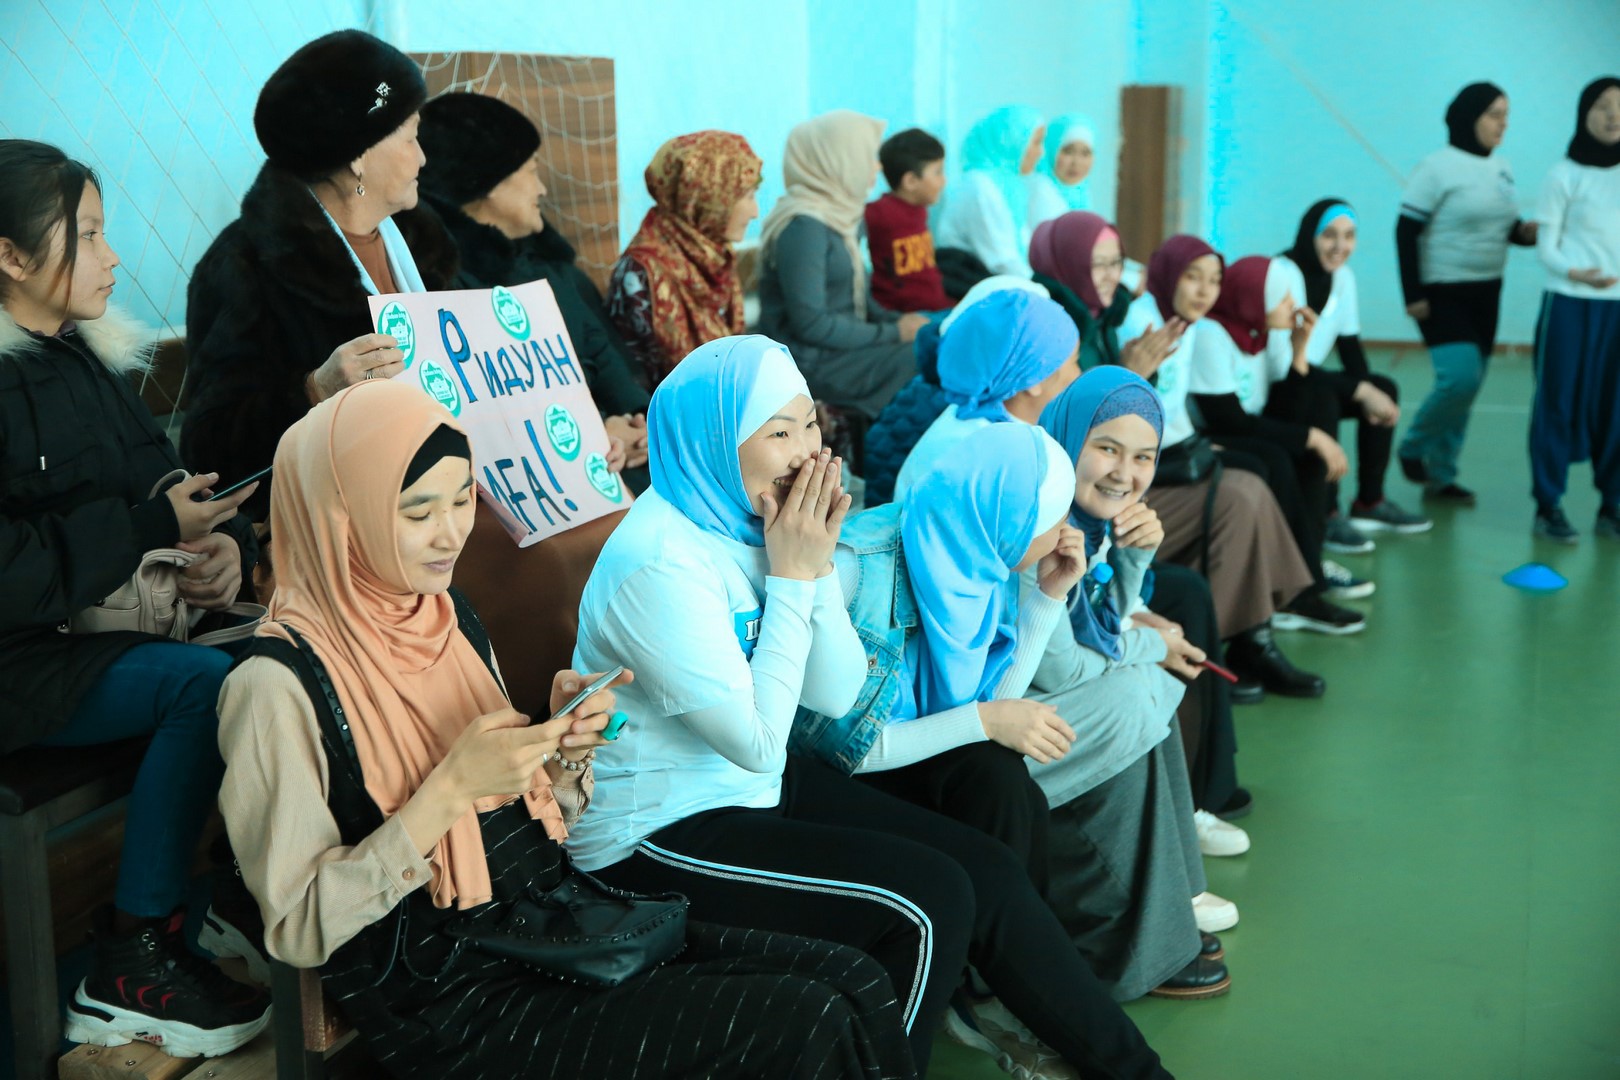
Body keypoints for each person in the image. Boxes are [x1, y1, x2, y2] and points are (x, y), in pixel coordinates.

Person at [216, 379, 916, 1078]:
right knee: (808, 1019)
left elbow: (521, 823)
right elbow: (299, 927)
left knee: (854, 981)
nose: (452, 532)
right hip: (452, 999)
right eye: (418, 511)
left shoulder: (444, 618)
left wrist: (560, 756)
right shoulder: (275, 687)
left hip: (546, 925)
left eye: (462, 501)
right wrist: (450, 791)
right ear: (342, 517)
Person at [568, 334, 1174, 1078]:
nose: (804, 452)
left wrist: (812, 567)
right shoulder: (658, 564)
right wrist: (795, 577)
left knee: (983, 868)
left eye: (809, 426)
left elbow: (836, 693)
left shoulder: (757, 523)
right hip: (654, 831)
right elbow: (757, 743)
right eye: (779, 432)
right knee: (931, 903)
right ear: (718, 441)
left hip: (753, 788)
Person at [797, 416, 1233, 1006]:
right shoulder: (859, 568)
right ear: (1010, 518)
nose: (1062, 535)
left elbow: (996, 696)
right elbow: (849, 748)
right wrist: (986, 722)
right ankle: (1017, 976)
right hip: (842, 776)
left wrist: (1048, 596)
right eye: (1051, 521)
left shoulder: (977, 555)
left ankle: (1019, 969)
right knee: (1011, 770)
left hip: (917, 754)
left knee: (1011, 775)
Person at [0, 139, 269, 1055]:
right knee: (201, 689)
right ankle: (130, 958)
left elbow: (167, 490)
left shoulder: (85, 356)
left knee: (286, 648)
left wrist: (221, 550)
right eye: (86, 234)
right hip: (21, 661)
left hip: (100, 631)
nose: (112, 256)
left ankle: (239, 897)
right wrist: (153, 529)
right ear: (10, 255)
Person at [182, 30, 459, 515]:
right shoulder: (246, 265)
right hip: (341, 518)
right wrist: (313, 391)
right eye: (411, 137)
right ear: (359, 155)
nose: (423, 157)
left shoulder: (422, 244)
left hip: (448, 489)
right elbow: (210, 451)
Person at [1118, 238, 1327, 692]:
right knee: (1243, 493)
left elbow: (1171, 411)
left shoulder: (1183, 324)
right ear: (1169, 276)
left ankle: (1255, 639)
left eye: (1214, 280)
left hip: (1168, 458)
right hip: (1136, 477)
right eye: (1192, 277)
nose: (1204, 291)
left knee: (1252, 484)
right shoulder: (1143, 323)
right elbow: (1127, 414)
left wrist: (1194, 444)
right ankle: (1238, 641)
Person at [417, 91, 651, 491]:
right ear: (488, 183)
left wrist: (638, 419)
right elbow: (501, 402)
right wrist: (595, 429)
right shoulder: (446, 286)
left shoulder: (544, 263)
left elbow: (597, 347)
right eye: (531, 171)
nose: (541, 189)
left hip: (610, 452)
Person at [1190, 255, 1371, 633]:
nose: (1294, 306)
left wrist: (1299, 350)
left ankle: (1308, 570)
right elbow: (1228, 420)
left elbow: (1283, 407)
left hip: (1242, 429)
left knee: (1309, 441)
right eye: (1282, 298)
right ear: (1253, 299)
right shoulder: (1212, 335)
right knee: (1279, 457)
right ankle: (1294, 592)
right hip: (1208, 436)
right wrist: (1311, 437)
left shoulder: (1258, 334)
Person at [1396, 81, 1538, 505]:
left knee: (1469, 388)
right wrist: (1412, 295)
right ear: (1469, 116)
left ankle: (1442, 477)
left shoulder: (1502, 168)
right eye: (1495, 114)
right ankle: (1413, 447)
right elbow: (1405, 231)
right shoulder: (1436, 168)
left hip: (1488, 291)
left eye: (1506, 115)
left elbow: (1505, 228)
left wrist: (1527, 233)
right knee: (1459, 379)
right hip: (1442, 292)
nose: (1503, 124)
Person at [1267, 201, 1431, 552]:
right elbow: (1282, 365)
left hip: (1308, 379)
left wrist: (1369, 392)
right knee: (1325, 399)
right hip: (1279, 388)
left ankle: (1369, 502)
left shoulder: (1343, 277)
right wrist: (1359, 390)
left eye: (1349, 236)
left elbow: (1351, 348)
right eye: (1329, 235)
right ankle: (1325, 513)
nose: (1340, 246)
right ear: (1309, 235)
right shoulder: (1282, 274)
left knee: (1383, 387)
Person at [758, 111, 924, 419]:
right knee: (922, 358)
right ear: (837, 160)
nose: (877, 166)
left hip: (843, 348)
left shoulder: (844, 216)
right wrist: (893, 333)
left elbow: (857, 299)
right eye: (867, 156)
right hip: (811, 361)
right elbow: (812, 325)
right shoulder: (804, 228)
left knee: (932, 340)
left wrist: (902, 323)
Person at [1529, 76, 1620, 543]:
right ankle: (1548, 505)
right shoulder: (1563, 174)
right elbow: (1546, 248)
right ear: (1585, 113)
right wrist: (1576, 273)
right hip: (1568, 304)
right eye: (1603, 105)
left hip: (1617, 311)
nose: (1613, 115)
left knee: (1616, 409)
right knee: (1557, 402)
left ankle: (1613, 505)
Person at [607, 130, 763, 385]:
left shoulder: (714, 256)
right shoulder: (643, 272)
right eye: (747, 196)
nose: (755, 211)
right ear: (706, 197)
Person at [1029, 211, 1182, 373]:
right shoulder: (1045, 333)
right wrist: (1127, 375)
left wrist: (1134, 368)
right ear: (1068, 265)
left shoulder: (1103, 321)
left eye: (1116, 262)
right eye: (1098, 264)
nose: (1112, 276)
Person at [935, 106, 1046, 279]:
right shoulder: (978, 187)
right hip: (977, 282)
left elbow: (1021, 246)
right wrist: (1041, 287)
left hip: (1004, 278)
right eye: (1036, 142)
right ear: (1011, 142)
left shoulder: (1009, 185)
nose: (1041, 153)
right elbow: (1000, 260)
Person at [865, 128, 952, 313]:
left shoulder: (920, 209)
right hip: (904, 314)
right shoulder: (879, 212)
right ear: (911, 181)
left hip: (935, 305)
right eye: (937, 172)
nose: (944, 180)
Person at [1026, 114, 1097, 228]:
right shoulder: (1040, 191)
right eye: (1068, 151)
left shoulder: (1081, 195)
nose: (1076, 162)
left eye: (1085, 153)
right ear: (1051, 150)